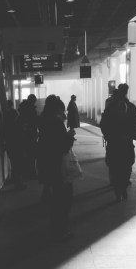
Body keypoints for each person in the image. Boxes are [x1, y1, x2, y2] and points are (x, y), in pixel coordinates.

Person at [36, 94, 76, 241]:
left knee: (56, 198)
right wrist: (70, 136)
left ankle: (55, 228)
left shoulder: (43, 120)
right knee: (64, 198)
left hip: (47, 163)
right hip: (58, 165)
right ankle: (60, 230)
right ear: (57, 109)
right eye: (61, 110)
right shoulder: (56, 122)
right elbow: (63, 146)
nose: (62, 113)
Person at [99, 83, 136, 202]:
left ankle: (118, 191)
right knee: (127, 167)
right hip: (127, 144)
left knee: (115, 167)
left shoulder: (110, 107)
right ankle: (123, 187)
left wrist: (109, 136)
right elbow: (134, 126)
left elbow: (104, 124)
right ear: (126, 91)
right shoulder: (131, 107)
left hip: (114, 143)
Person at [2, 100, 26, 190]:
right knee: (18, 164)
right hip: (17, 145)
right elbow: (21, 133)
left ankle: (17, 182)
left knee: (14, 164)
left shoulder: (7, 119)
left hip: (10, 144)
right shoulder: (16, 119)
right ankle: (18, 183)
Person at [18, 94, 39, 179]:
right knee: (32, 154)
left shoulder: (23, 108)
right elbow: (33, 121)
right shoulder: (30, 109)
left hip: (25, 135)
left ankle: (27, 173)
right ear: (32, 100)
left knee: (27, 153)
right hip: (31, 134)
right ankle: (31, 173)